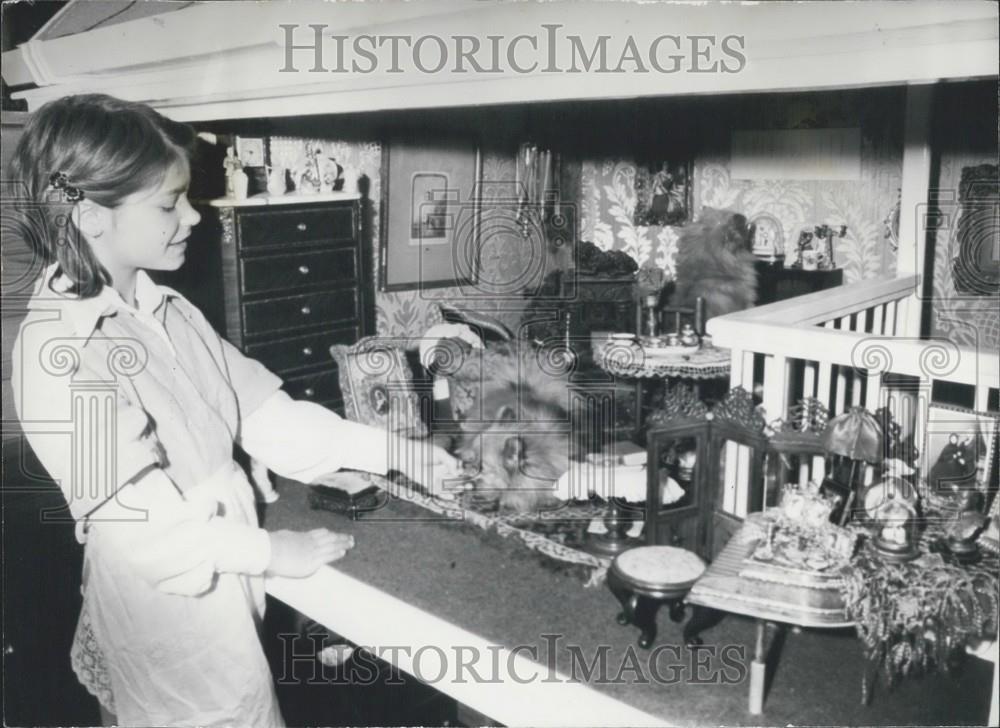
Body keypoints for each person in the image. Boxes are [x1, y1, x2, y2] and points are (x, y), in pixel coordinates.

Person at [8, 94, 458, 727]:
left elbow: (265, 416)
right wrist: (275, 552)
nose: (195, 216)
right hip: (168, 606)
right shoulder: (55, 349)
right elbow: (145, 532)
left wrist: (398, 454)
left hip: (221, 579)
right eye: (169, 203)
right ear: (89, 216)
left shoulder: (166, 309)